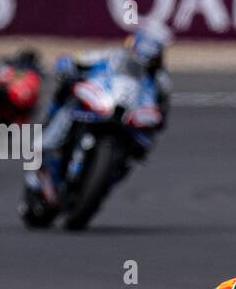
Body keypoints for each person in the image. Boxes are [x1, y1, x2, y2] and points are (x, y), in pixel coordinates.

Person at [24, 24, 172, 212]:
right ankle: (47, 139)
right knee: (68, 98)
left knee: (138, 153)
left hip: (129, 124)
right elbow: (77, 59)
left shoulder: (161, 81)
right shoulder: (112, 56)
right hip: (101, 104)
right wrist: (69, 65)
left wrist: (151, 121)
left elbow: (162, 114)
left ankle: (101, 186)